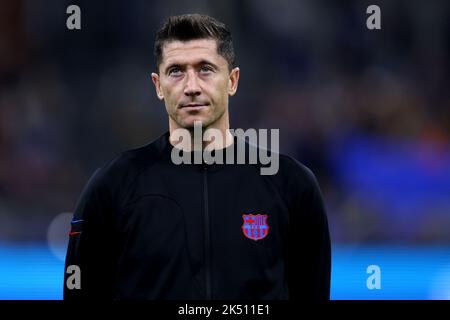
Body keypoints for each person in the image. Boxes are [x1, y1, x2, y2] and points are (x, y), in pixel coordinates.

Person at [64, 13, 331, 300]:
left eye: (205, 69)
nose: (191, 86)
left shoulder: (291, 185)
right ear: (158, 85)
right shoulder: (112, 186)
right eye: (176, 71)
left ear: (232, 80)